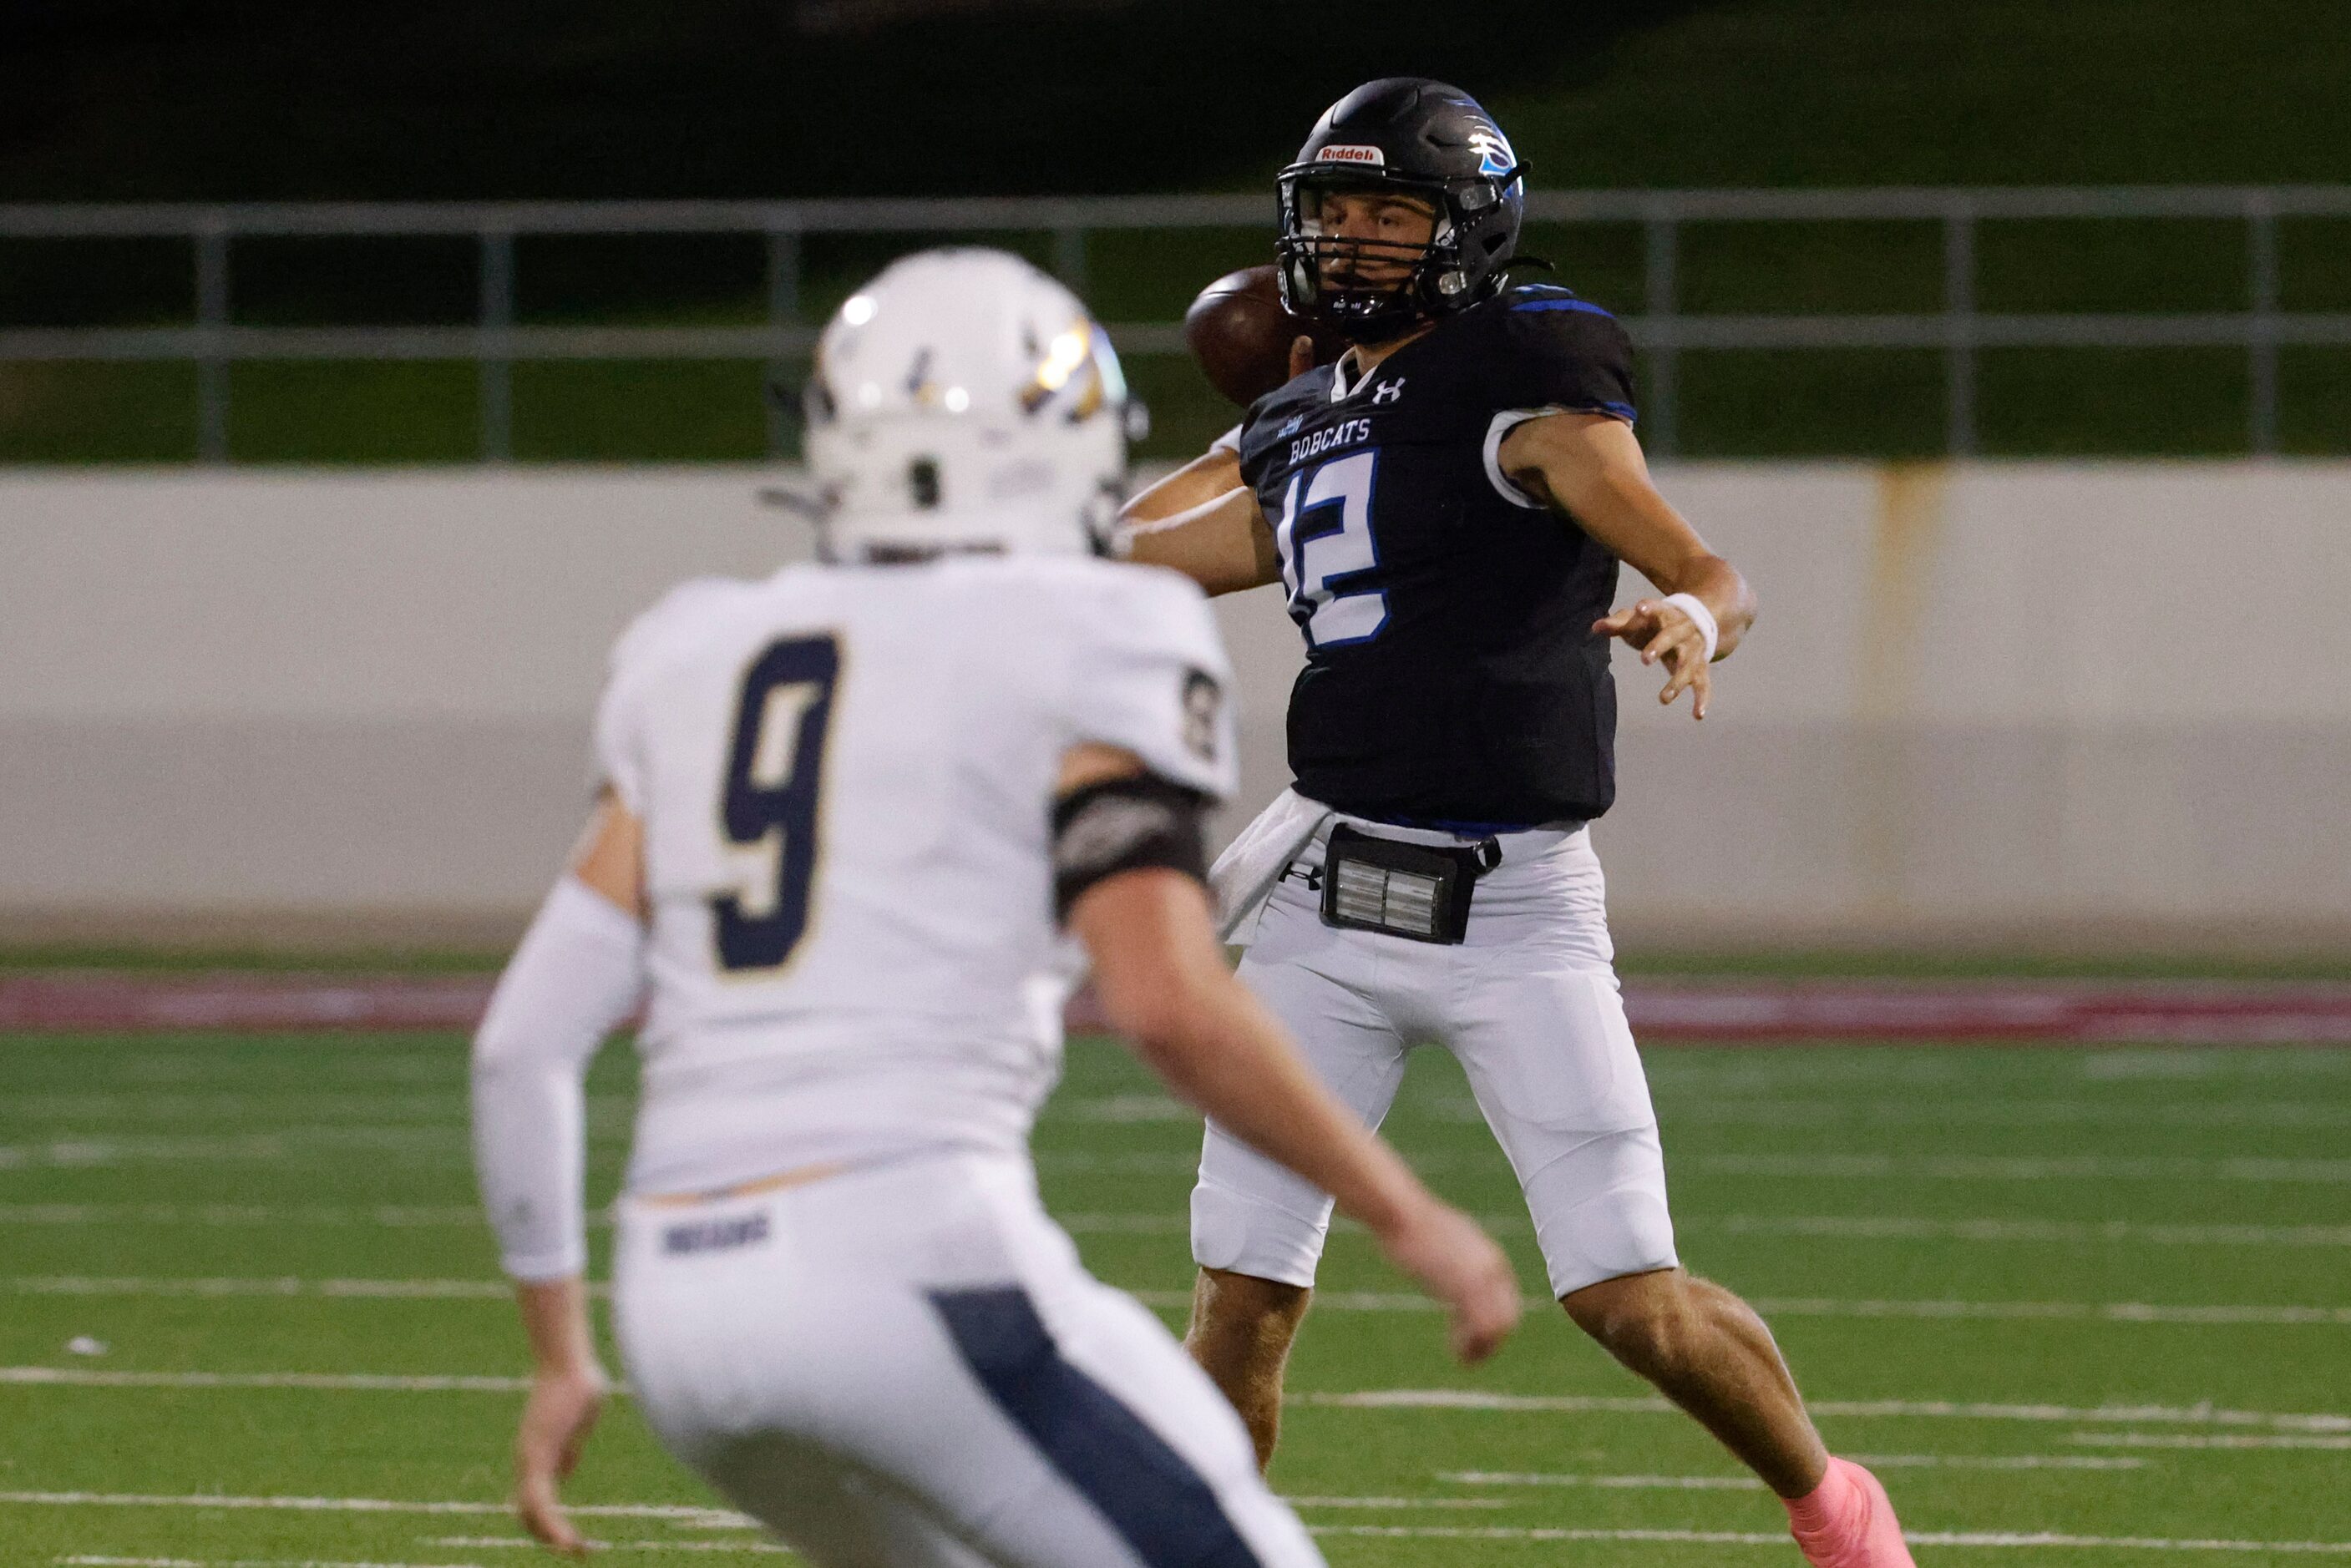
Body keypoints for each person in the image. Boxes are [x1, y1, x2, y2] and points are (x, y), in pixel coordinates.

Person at [468, 247, 1521, 1566]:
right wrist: (1409, 1214)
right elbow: (1165, 998)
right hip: (908, 1266)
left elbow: (522, 1044)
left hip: (681, 1314)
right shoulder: (1100, 631)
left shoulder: (694, 647)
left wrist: (562, 1353)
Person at [1120, 78, 1915, 1568]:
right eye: (1332, 212)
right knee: (1243, 1294)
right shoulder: (1302, 421)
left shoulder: (1527, 376)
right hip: (1321, 906)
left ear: (1464, 229)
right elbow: (1141, 554)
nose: (1351, 242)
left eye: (1389, 214)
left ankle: (1833, 1502)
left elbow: (1707, 566)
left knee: (1630, 1295)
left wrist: (1689, 614)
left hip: (1517, 911)